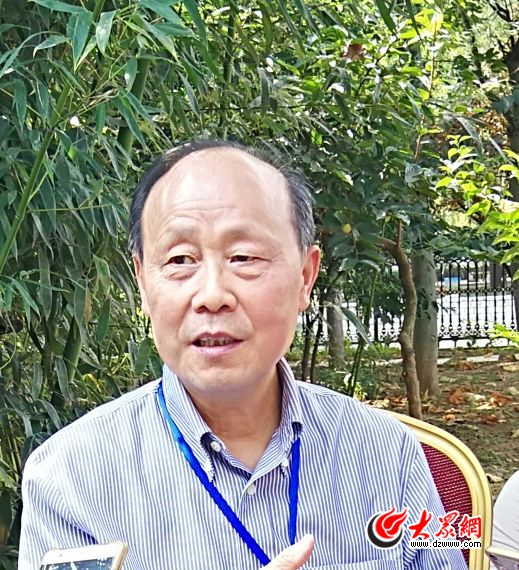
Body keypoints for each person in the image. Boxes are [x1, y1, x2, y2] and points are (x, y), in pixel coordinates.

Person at [19, 140, 466, 569]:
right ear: (142, 282)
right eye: (180, 260)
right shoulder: (69, 479)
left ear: (305, 277)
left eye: (244, 257)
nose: (212, 295)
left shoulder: (388, 453)